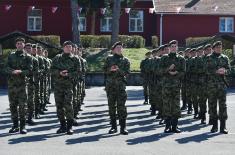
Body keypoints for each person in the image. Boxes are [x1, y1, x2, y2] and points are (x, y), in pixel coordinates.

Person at [5, 38, 33, 134]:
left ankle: (23, 126)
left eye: (21, 43)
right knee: (12, 105)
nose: (19, 45)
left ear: (24, 45)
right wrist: (12, 71)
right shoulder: (11, 56)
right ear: (16, 45)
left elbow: (30, 70)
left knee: (22, 106)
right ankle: (15, 125)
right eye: (18, 43)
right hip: (12, 85)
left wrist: (21, 71)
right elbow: (5, 67)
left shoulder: (28, 57)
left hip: (22, 84)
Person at [51, 41, 79, 135]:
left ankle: (69, 127)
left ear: (72, 48)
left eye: (69, 46)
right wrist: (59, 73)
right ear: (63, 48)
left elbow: (79, 72)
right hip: (58, 85)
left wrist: (69, 74)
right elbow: (51, 70)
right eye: (66, 46)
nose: (68, 48)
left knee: (68, 106)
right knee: (59, 106)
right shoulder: (57, 58)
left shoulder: (75, 59)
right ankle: (62, 125)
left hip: (68, 85)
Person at [103, 41, 130, 135]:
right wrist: (110, 69)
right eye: (117, 47)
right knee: (111, 107)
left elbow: (127, 73)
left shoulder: (125, 60)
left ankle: (123, 127)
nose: (119, 49)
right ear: (113, 50)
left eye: (120, 47)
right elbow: (104, 70)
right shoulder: (109, 59)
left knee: (121, 107)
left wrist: (118, 70)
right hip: (110, 87)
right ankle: (113, 127)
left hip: (121, 87)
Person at [159, 40, 185, 133]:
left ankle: (175, 126)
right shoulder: (164, 58)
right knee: (166, 105)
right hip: (166, 85)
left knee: (176, 105)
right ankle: (167, 126)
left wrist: (176, 72)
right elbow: (159, 71)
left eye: (175, 46)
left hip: (176, 86)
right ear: (169, 48)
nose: (174, 48)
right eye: (172, 46)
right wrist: (168, 69)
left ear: (177, 47)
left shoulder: (181, 59)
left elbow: (183, 72)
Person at [206, 41, 230, 134]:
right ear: (213, 48)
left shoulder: (225, 58)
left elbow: (229, 69)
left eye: (220, 47)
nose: (219, 49)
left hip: (222, 85)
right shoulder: (208, 58)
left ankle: (223, 127)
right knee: (212, 105)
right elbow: (206, 70)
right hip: (211, 85)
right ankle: (214, 126)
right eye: (217, 47)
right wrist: (216, 71)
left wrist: (225, 71)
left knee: (223, 106)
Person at [24, 43, 38, 125]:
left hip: (30, 83)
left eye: (30, 48)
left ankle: (30, 117)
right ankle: (23, 117)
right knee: (22, 101)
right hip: (21, 83)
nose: (28, 50)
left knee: (30, 101)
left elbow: (36, 72)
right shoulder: (21, 58)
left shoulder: (34, 60)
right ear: (24, 49)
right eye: (27, 48)